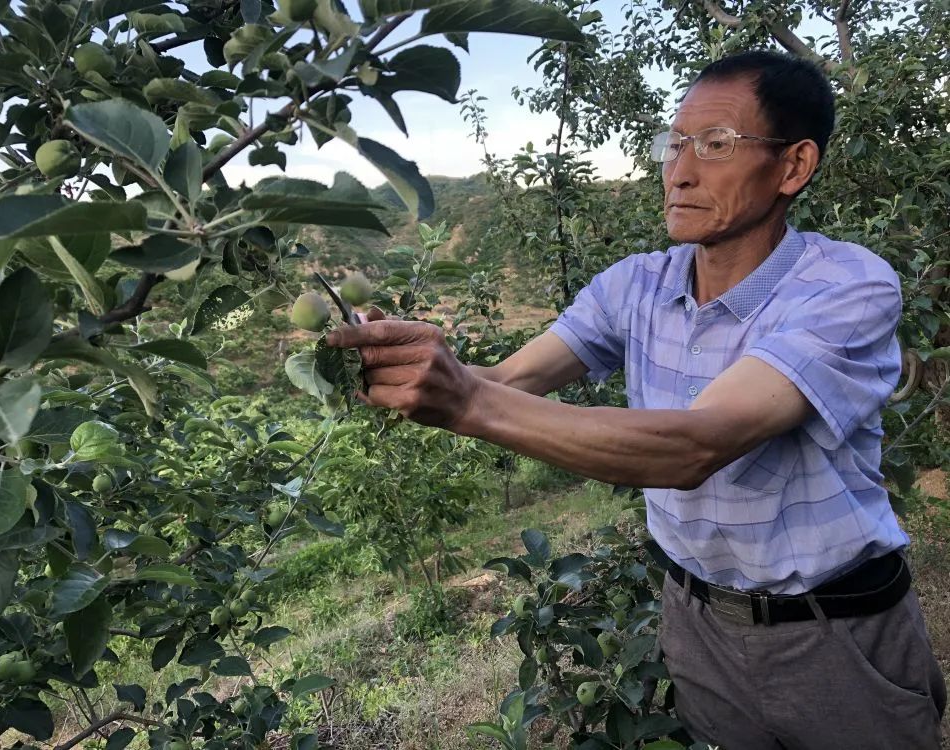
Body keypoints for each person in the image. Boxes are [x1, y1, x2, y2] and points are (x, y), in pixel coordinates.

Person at [326, 50, 946, 749]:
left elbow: (696, 444)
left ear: (794, 167)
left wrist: (464, 400)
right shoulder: (636, 285)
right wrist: (406, 357)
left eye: (716, 145)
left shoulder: (846, 287)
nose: (679, 170)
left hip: (835, 635)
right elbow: (511, 380)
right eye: (674, 143)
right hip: (698, 621)